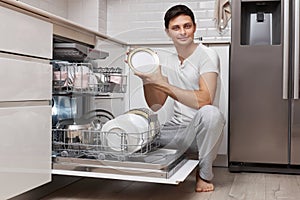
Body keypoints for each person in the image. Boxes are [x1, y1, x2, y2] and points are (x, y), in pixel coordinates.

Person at [131, 4, 225, 192]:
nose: (183, 32)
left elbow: (204, 100)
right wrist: (147, 78)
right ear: (168, 32)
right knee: (137, 130)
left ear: (195, 27)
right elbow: (156, 105)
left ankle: (204, 174)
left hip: (199, 133)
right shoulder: (167, 60)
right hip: (174, 131)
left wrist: (163, 83)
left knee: (211, 113)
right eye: (176, 28)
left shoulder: (207, 55)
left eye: (187, 26)